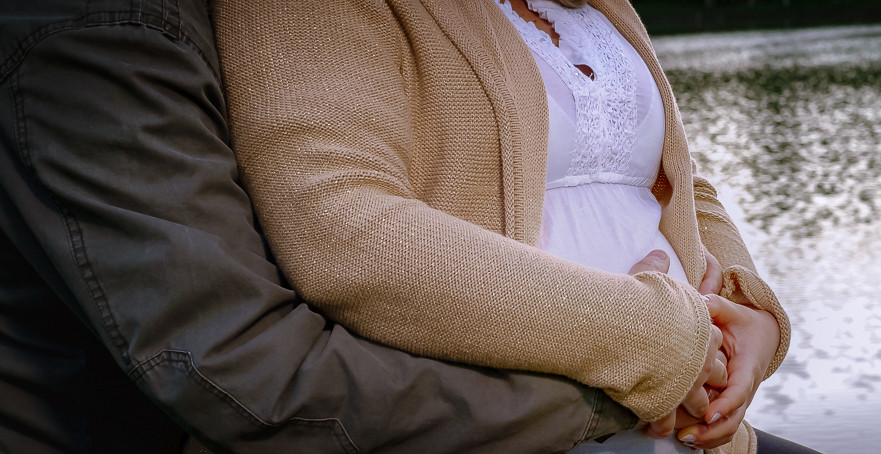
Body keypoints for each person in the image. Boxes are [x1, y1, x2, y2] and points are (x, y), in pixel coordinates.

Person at [0, 0, 723, 452]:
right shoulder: (103, 31)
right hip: (562, 419)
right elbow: (249, 364)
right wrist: (635, 369)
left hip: (682, 411)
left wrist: (744, 315)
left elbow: (668, 175)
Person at [214, 0, 811, 453]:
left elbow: (678, 183)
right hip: (522, 432)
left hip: (696, 435)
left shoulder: (604, 8)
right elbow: (342, 229)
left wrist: (748, 315)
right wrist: (651, 339)